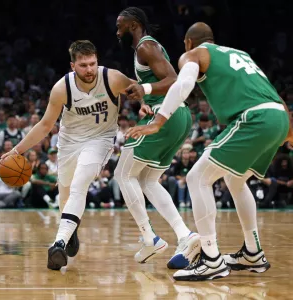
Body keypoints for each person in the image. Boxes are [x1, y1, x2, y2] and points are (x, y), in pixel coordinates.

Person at [126, 22, 293, 281]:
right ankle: (252, 252)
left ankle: (211, 258)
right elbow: (275, 97)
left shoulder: (194, 54)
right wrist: (288, 132)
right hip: (278, 117)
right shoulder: (241, 55)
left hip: (254, 118)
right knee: (235, 180)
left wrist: (159, 120)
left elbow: (182, 86)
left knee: (196, 178)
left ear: (188, 42)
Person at [0, 40, 134, 270]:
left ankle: (58, 243)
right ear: (73, 66)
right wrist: (15, 151)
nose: (89, 69)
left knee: (80, 183)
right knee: (65, 193)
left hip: (100, 140)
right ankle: (70, 232)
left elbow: (140, 91)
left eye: (92, 63)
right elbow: (44, 125)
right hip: (69, 143)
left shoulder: (113, 78)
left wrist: (151, 107)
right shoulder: (62, 88)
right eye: (83, 65)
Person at [113, 7, 199, 268]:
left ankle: (149, 238)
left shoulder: (145, 47)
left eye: (121, 26)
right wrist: (145, 99)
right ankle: (186, 236)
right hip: (177, 116)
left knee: (122, 175)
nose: (117, 31)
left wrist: (146, 89)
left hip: (168, 115)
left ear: (134, 24)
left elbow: (174, 80)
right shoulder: (144, 49)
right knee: (148, 180)